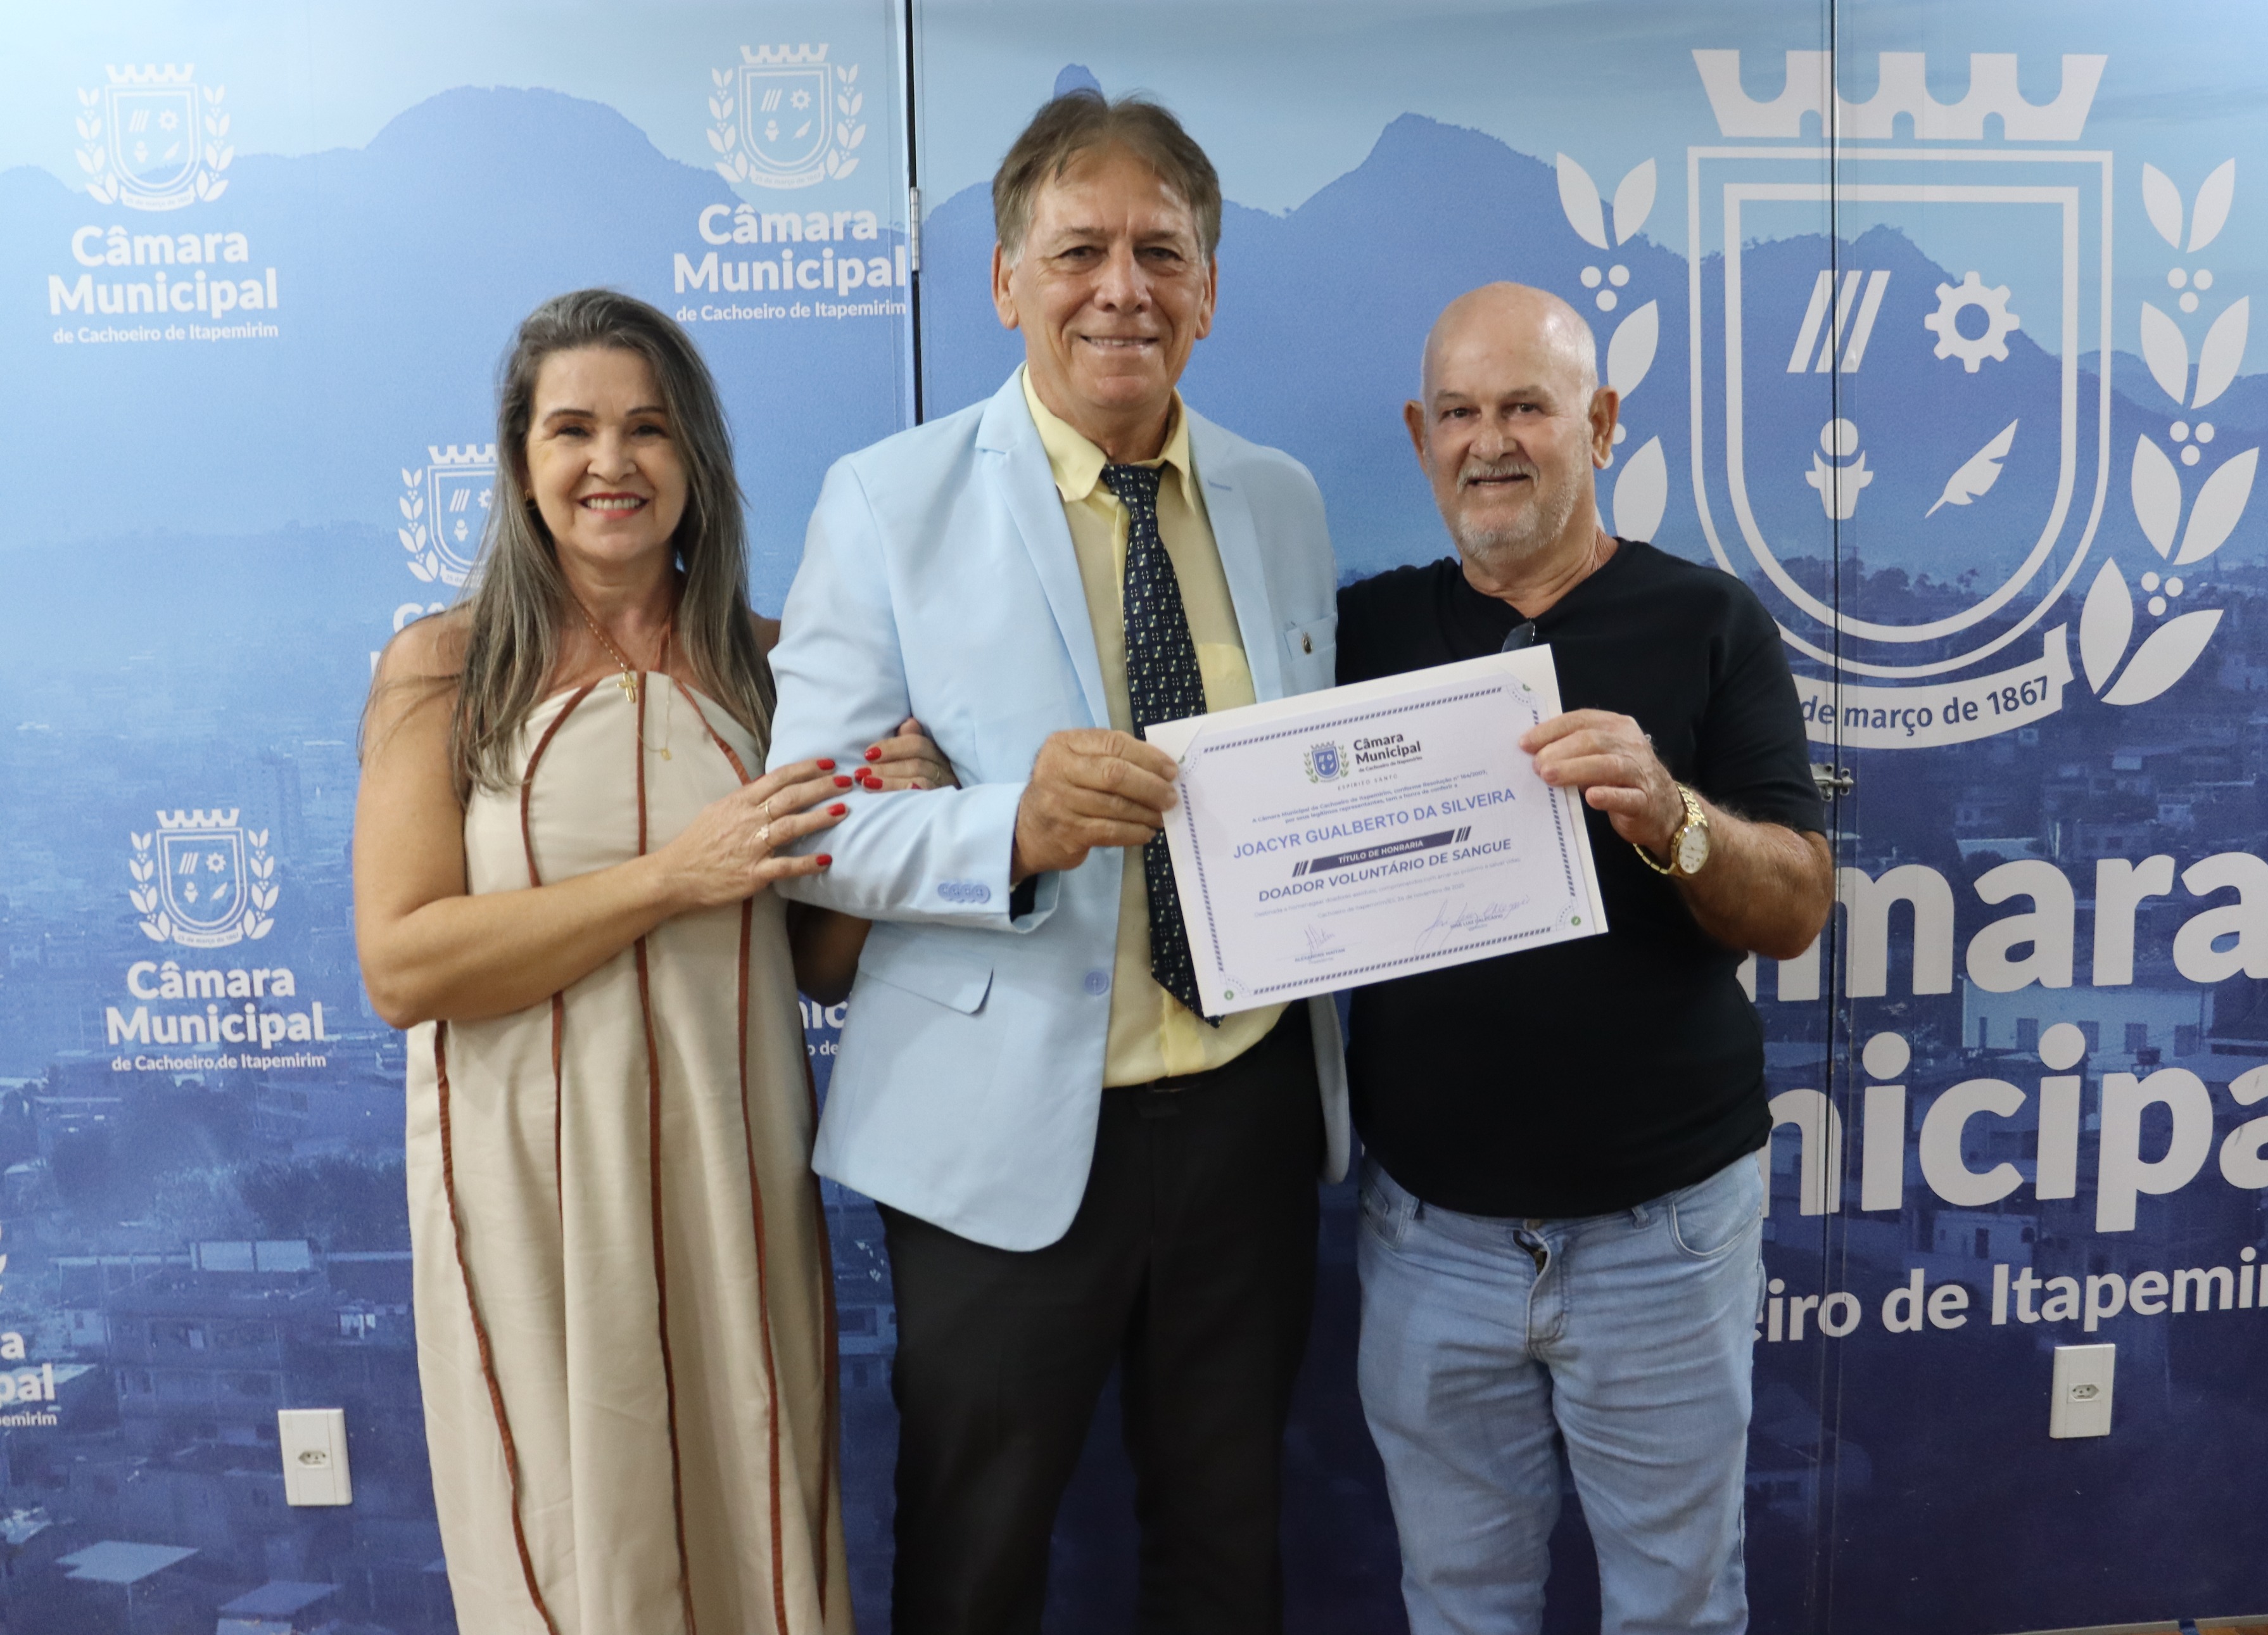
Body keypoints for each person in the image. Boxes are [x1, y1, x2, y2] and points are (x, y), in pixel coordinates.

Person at [764, 90, 1345, 1634]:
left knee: (1225, 1550)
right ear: (1005, 280)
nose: (1121, 288)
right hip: (989, 1131)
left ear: (1209, 289)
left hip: (1246, 1106)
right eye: (1079, 249)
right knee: (974, 1561)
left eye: (1162, 251)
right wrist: (1007, 828)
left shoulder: (1283, 500)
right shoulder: (887, 502)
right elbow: (807, 826)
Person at [355, 288, 947, 1634]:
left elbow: (818, 965)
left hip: (734, 1171)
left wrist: (894, 830)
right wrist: (672, 877)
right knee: (567, 1544)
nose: (611, 462)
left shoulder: (780, 667)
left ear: (697, 459)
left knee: (753, 1515)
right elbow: (403, 963)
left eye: (649, 428)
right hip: (524, 1185)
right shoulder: (442, 669)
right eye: (572, 429)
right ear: (520, 462)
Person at [1334, 283, 1834, 1635]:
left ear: (1601, 423)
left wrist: (1672, 815)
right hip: (1429, 1235)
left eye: (1527, 408)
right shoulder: (1359, 636)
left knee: (1678, 1609)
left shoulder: (1711, 621)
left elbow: (1797, 906)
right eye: (1458, 412)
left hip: (1662, 1233)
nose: (1489, 441)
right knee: (1459, 1607)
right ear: (1419, 436)